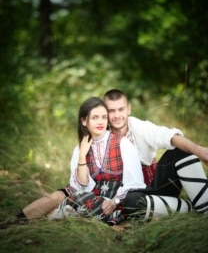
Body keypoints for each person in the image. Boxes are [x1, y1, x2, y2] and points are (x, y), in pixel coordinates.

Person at [11, 97, 147, 226]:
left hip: (113, 200)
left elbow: (135, 182)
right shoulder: (80, 149)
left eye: (104, 117)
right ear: (84, 121)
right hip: (88, 194)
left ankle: (55, 214)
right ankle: (13, 223)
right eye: (95, 118)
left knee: (77, 200)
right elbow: (81, 186)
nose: (100, 122)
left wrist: (114, 201)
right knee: (56, 197)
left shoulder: (122, 143)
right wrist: (82, 156)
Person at [103, 89, 208, 220]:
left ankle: (207, 207)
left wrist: (199, 151)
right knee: (131, 201)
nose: (117, 115)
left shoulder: (139, 126)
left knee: (180, 150)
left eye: (121, 109)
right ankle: (191, 208)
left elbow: (169, 136)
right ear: (105, 113)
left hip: (155, 186)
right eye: (111, 111)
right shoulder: (101, 136)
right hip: (128, 195)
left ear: (129, 109)